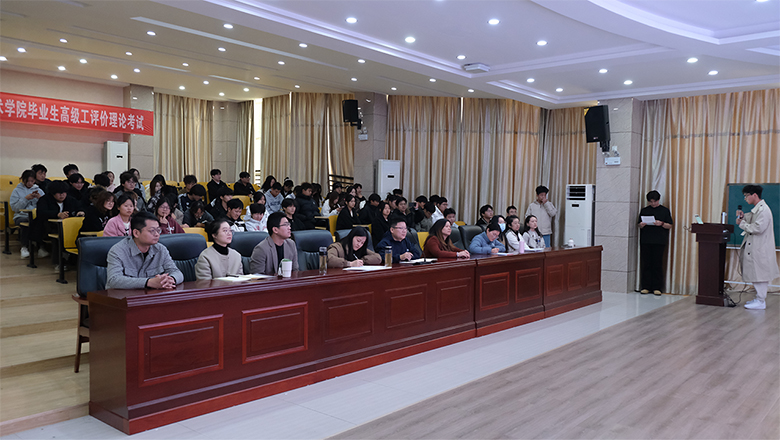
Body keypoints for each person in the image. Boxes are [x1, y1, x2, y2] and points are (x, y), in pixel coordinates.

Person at [105, 211, 184, 289]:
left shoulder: (160, 249)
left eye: (158, 230)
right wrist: (148, 282)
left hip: (152, 295)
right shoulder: (118, 251)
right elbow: (114, 280)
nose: (157, 234)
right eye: (152, 231)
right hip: (124, 296)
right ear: (136, 233)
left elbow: (177, 272)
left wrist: (170, 279)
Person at [736, 185, 779, 310]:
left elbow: (758, 228)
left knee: (760, 275)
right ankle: (759, 299)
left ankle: (761, 301)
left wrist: (742, 223)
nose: (745, 199)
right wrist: (744, 218)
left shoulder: (764, 210)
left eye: (746, 196)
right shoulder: (759, 209)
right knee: (757, 274)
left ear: (754, 195)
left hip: (760, 249)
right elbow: (753, 218)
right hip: (757, 248)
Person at [637, 190, 674, 296]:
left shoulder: (664, 210)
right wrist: (641, 225)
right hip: (646, 240)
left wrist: (661, 223)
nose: (653, 203)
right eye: (651, 202)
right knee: (646, 263)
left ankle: (657, 287)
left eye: (655, 201)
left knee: (657, 264)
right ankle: (646, 286)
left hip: (659, 241)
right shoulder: (644, 210)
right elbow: (638, 224)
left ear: (659, 200)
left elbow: (670, 225)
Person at [10, 170, 45, 259]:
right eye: (27, 181)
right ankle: (24, 247)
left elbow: (45, 206)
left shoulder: (39, 190)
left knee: (41, 222)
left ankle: (41, 247)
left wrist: (40, 199)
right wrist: (25, 199)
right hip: (21, 216)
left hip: (36, 215)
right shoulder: (16, 191)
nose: (29, 183)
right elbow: (15, 208)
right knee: (26, 223)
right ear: (23, 180)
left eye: (32, 181)